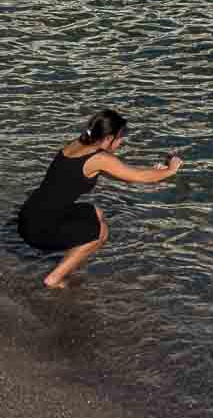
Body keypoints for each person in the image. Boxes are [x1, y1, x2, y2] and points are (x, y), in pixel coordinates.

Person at [17, 108, 183, 288]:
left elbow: (122, 173)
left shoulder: (78, 144)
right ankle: (54, 279)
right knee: (100, 234)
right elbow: (137, 176)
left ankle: (68, 256)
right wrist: (170, 170)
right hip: (37, 229)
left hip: (29, 215)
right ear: (109, 138)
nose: (121, 142)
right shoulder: (100, 158)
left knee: (96, 213)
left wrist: (155, 173)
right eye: (120, 137)